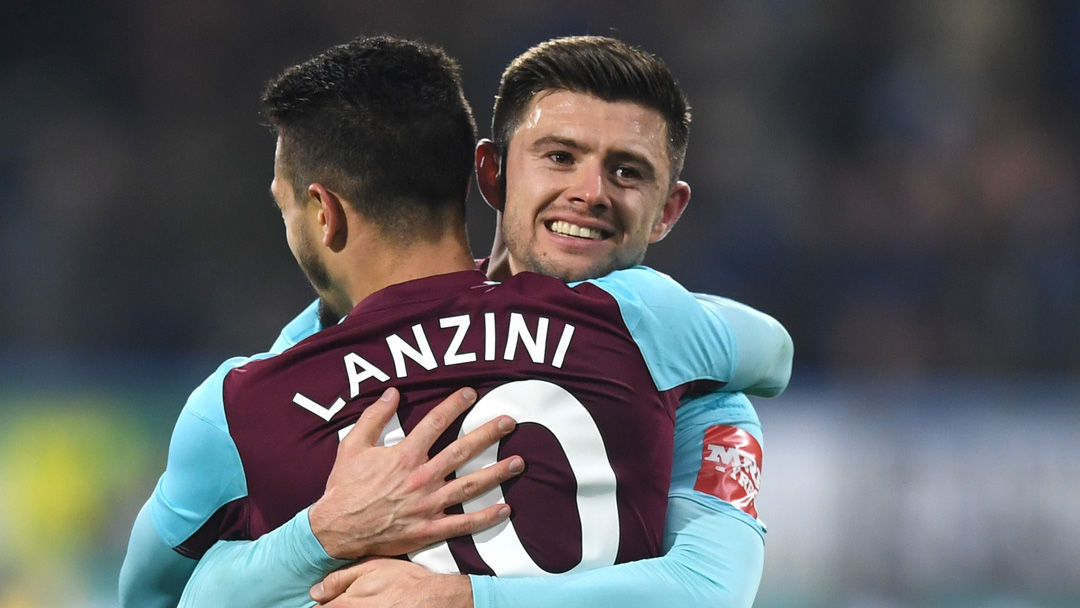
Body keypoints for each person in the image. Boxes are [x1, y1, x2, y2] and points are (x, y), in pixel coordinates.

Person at [118, 35, 791, 608]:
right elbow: (773, 351)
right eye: (560, 156)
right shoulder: (670, 337)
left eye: (627, 172)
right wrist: (321, 533)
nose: (590, 193)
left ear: (668, 210)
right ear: (492, 174)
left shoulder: (687, 370)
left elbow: (707, 589)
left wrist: (460, 596)